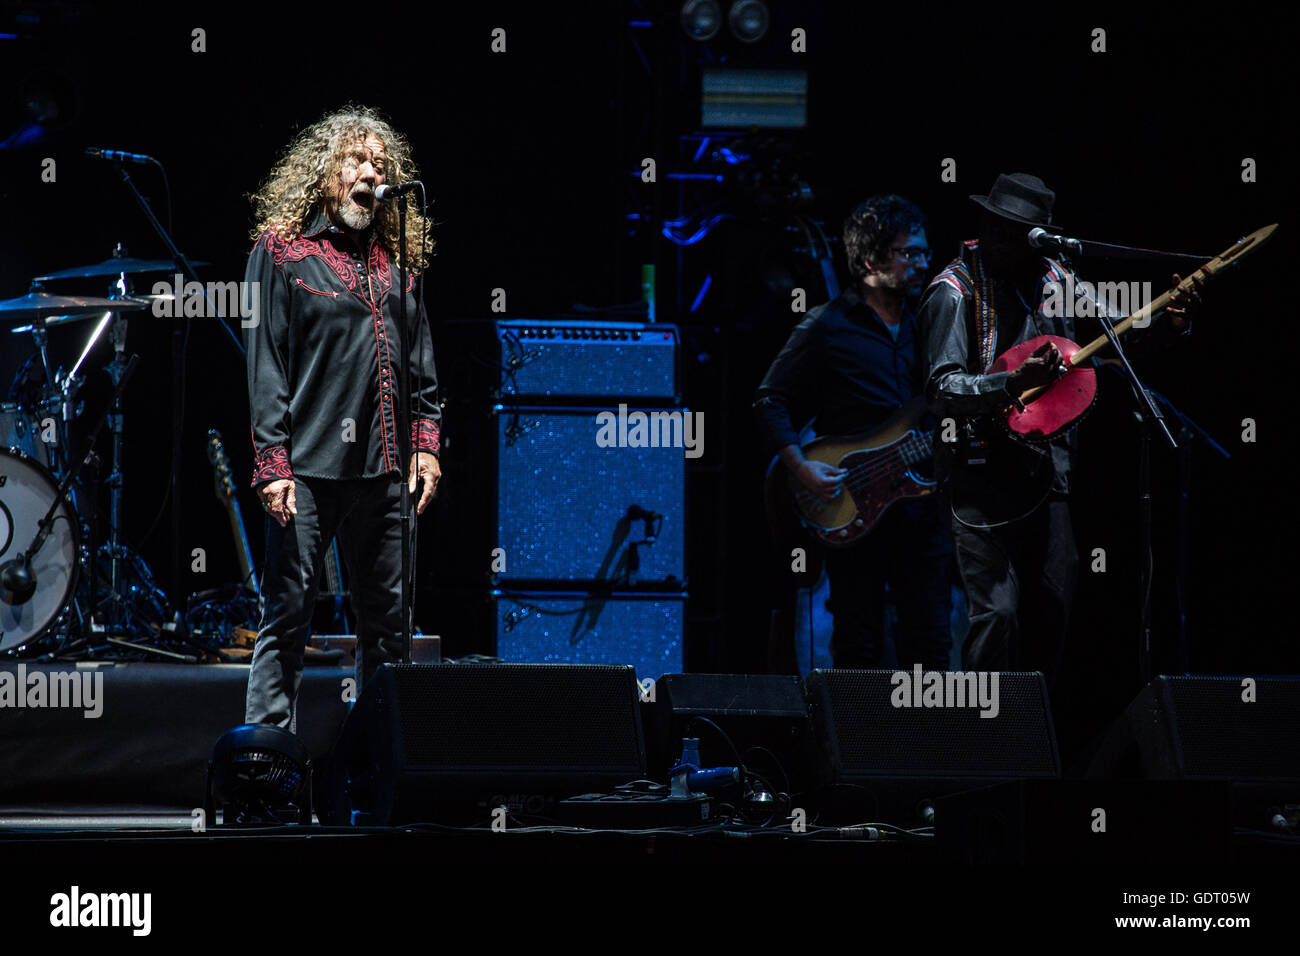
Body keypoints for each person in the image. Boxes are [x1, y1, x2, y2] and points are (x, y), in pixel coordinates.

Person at [918, 172, 1198, 682]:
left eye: (1017, 231)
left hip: (1049, 477)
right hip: (980, 479)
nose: (1002, 239)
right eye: (997, 226)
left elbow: (1120, 335)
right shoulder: (953, 290)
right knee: (997, 615)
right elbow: (942, 389)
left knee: (1052, 613)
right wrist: (1007, 384)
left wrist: (1169, 323)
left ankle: (1030, 744)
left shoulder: (1056, 279)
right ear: (983, 221)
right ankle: (983, 743)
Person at [243, 105, 441, 730]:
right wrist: (273, 464)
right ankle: (265, 763)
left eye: (380, 163)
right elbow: (266, 365)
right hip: (307, 468)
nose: (370, 172)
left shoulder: (395, 263)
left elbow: (422, 368)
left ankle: (379, 767)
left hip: (384, 473)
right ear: (324, 171)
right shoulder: (282, 251)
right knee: (289, 616)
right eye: (356, 160)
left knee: (390, 627)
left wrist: (426, 444)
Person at [754, 195, 952, 671]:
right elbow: (769, 399)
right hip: (853, 501)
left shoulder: (928, 322)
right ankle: (854, 743)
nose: (924, 263)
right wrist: (800, 468)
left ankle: (926, 744)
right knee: (857, 643)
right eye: (910, 253)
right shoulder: (827, 325)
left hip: (920, 509)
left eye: (925, 252)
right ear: (871, 261)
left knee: (930, 641)